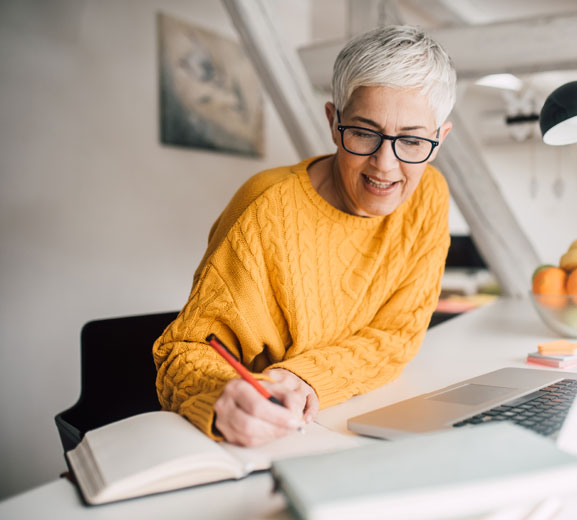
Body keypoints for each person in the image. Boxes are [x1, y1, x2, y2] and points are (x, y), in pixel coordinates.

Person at [153, 25, 456, 447]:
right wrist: (223, 397)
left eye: (410, 140)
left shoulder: (429, 196)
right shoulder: (265, 209)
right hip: (261, 438)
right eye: (365, 133)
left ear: (439, 140)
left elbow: (397, 335)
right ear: (334, 123)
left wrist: (303, 377)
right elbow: (182, 355)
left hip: (343, 427)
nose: (385, 165)